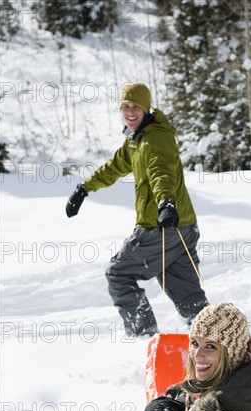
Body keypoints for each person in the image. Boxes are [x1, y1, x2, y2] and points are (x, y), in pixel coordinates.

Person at [65, 82, 208, 337]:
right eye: (125, 107)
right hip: (182, 227)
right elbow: (112, 168)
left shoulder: (155, 138)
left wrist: (166, 202)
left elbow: (160, 171)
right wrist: (84, 189)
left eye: (136, 107)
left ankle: (145, 337)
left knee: (119, 274)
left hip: (161, 225)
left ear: (146, 108)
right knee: (188, 296)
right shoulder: (136, 142)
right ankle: (215, 339)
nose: (130, 112)